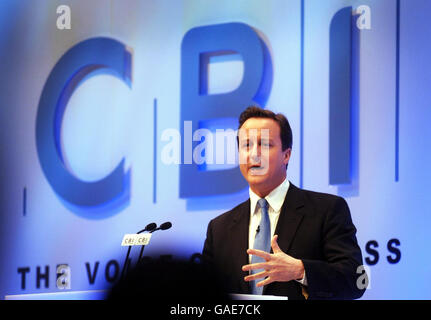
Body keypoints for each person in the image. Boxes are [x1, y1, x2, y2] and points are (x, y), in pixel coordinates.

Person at [202, 106, 366, 300]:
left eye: (264, 144)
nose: (254, 154)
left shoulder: (327, 210)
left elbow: (356, 280)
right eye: (246, 145)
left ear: (286, 155)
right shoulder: (219, 228)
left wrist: (301, 270)